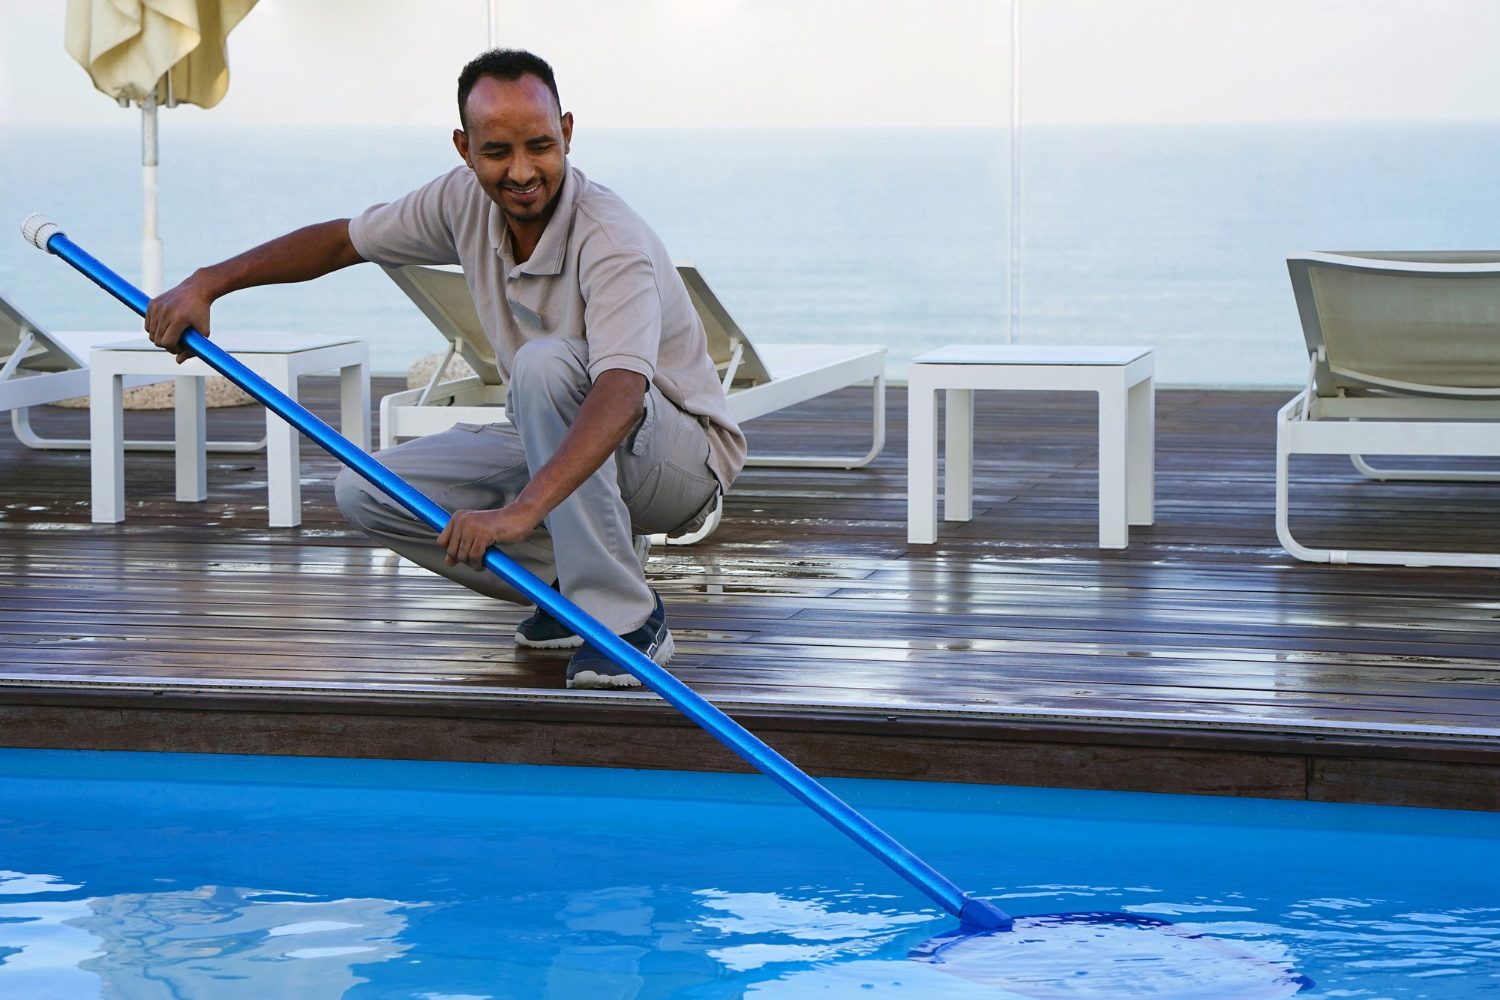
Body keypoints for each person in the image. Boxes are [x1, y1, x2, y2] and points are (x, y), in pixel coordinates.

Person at [143, 49, 746, 689]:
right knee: (368, 491)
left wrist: (521, 511)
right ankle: (573, 587)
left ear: (567, 132)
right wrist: (210, 282)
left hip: (679, 463)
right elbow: (344, 240)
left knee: (545, 364)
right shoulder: (461, 202)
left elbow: (622, 391)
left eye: (540, 146)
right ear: (464, 148)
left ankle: (625, 618)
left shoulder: (610, 237)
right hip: (559, 431)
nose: (521, 171)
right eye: (497, 153)